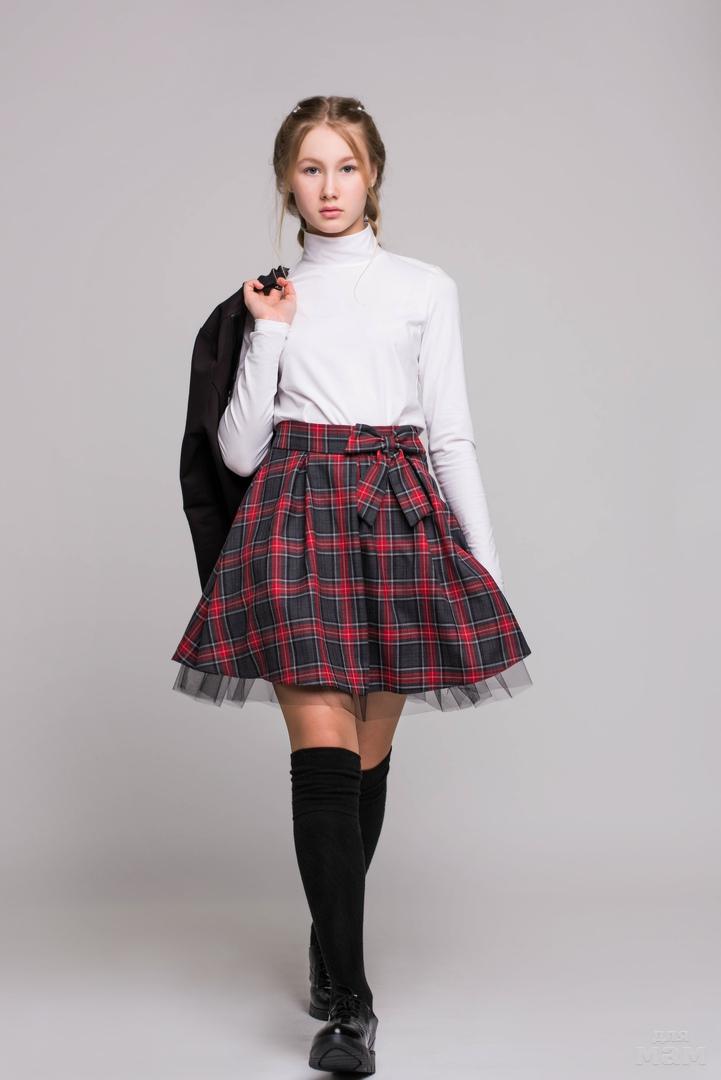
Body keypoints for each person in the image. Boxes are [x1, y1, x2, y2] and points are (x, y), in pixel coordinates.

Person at [171, 94, 533, 1075]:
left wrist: (483, 568)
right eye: (309, 167)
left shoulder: (424, 287)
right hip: (294, 517)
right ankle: (350, 1008)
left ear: (373, 177)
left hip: (399, 519)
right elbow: (237, 450)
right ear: (285, 182)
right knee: (323, 759)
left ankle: (328, 948)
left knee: (368, 759)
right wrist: (270, 332)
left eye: (345, 166)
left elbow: (449, 433)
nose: (328, 186)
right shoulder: (266, 296)